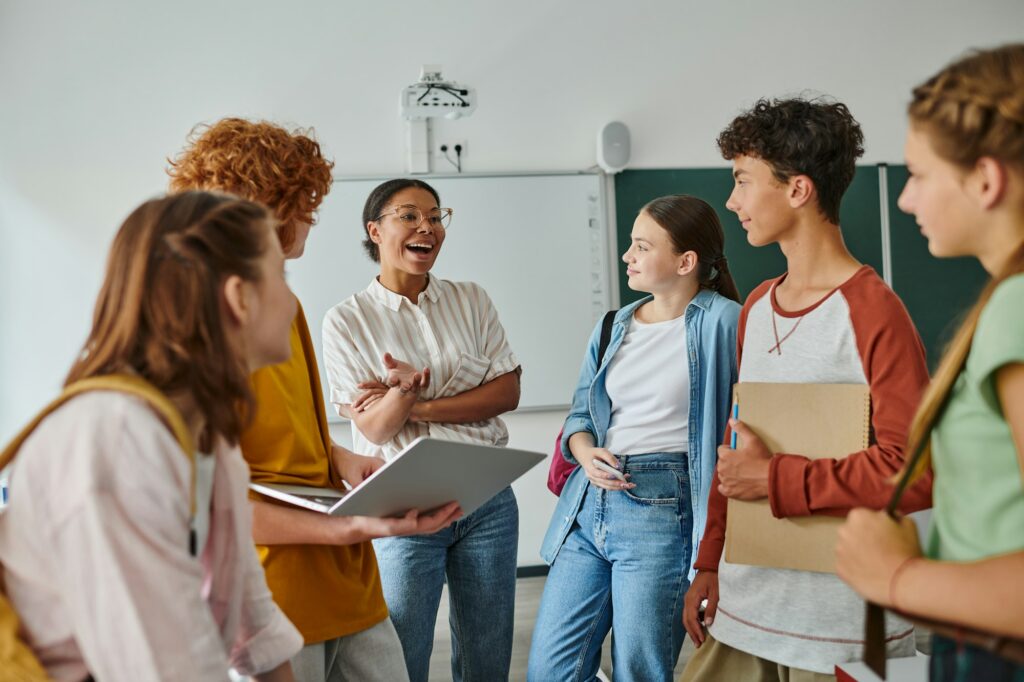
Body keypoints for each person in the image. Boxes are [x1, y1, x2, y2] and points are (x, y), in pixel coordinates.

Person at [168, 119, 460, 682]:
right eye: (304, 202)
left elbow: (288, 429)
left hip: (347, 580)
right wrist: (347, 528)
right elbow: (204, 500)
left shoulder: (287, 302)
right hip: (271, 589)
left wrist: (342, 461)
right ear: (266, 208)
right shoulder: (198, 317)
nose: (311, 218)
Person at [0, 192, 303, 680]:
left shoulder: (210, 439)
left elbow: (257, 629)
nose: (292, 300)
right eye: (282, 276)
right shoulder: (117, 440)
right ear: (238, 298)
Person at [680, 97, 934, 681]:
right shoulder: (757, 306)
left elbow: (915, 472)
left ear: (797, 190)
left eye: (743, 181)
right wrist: (711, 561)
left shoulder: (875, 311)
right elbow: (735, 448)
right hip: (745, 608)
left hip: (839, 628)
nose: (732, 201)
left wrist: (775, 478)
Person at [836, 43, 1024, 681]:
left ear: (986, 179)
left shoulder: (1017, 308)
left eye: (918, 174)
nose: (904, 200)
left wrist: (896, 575)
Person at [526, 195, 741, 681]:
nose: (628, 256)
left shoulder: (723, 321)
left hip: (662, 511)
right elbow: (580, 414)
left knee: (639, 671)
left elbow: (744, 424)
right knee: (549, 672)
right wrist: (583, 452)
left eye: (642, 247)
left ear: (686, 262)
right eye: (630, 245)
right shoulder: (612, 325)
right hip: (588, 507)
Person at [321, 178, 521, 682]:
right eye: (409, 215)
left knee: (487, 652)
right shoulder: (346, 320)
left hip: (487, 495)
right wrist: (402, 398)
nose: (426, 227)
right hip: (402, 503)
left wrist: (415, 404)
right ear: (375, 229)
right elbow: (377, 428)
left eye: (435, 216)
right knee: (399, 652)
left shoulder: (472, 299)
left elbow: (507, 394)